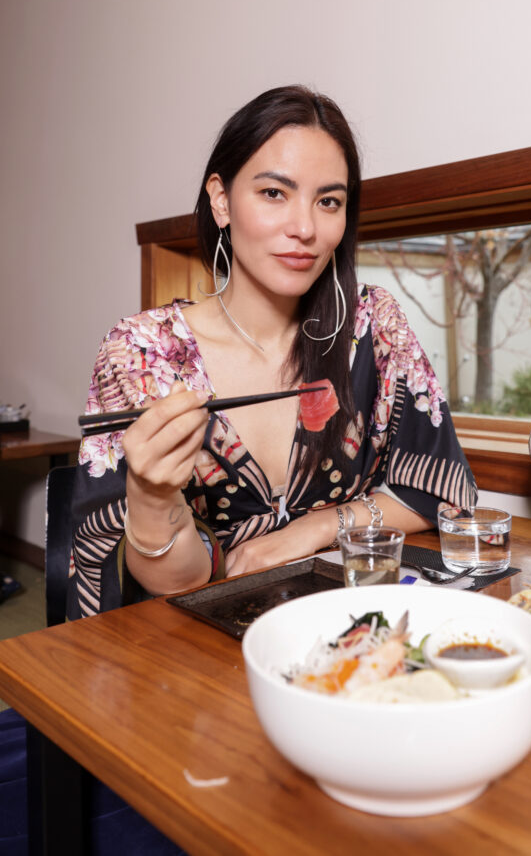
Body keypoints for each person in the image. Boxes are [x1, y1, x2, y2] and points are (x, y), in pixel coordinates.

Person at [68, 85, 477, 618]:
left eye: (328, 201)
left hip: (343, 627)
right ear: (221, 200)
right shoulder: (145, 354)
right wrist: (150, 497)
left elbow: (436, 492)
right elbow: (178, 582)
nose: (305, 228)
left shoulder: (372, 327)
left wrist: (309, 531)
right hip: (194, 645)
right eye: (274, 194)